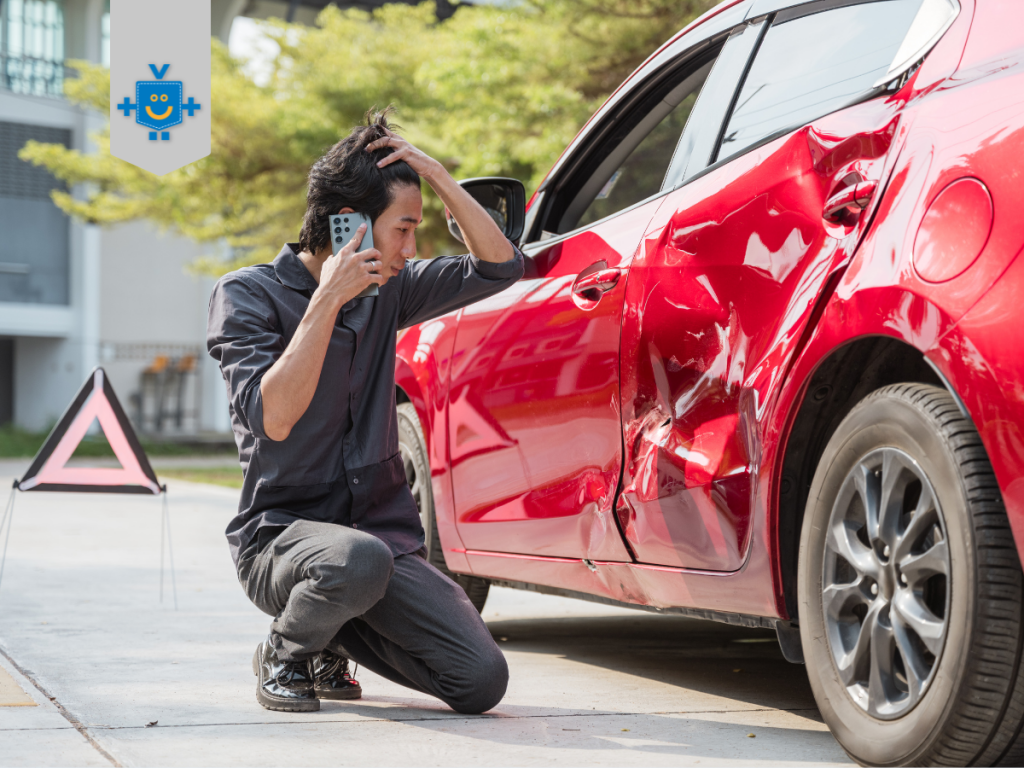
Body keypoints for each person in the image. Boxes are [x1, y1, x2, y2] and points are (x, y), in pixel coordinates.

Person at [207, 108, 523, 714]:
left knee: (480, 680)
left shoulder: (393, 290)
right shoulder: (245, 296)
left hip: (381, 543)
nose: (411, 247)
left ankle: (328, 633)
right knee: (356, 558)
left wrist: (437, 177)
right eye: (403, 229)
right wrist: (328, 298)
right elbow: (274, 419)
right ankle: (287, 650)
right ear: (348, 223)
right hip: (281, 544)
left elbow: (500, 265)